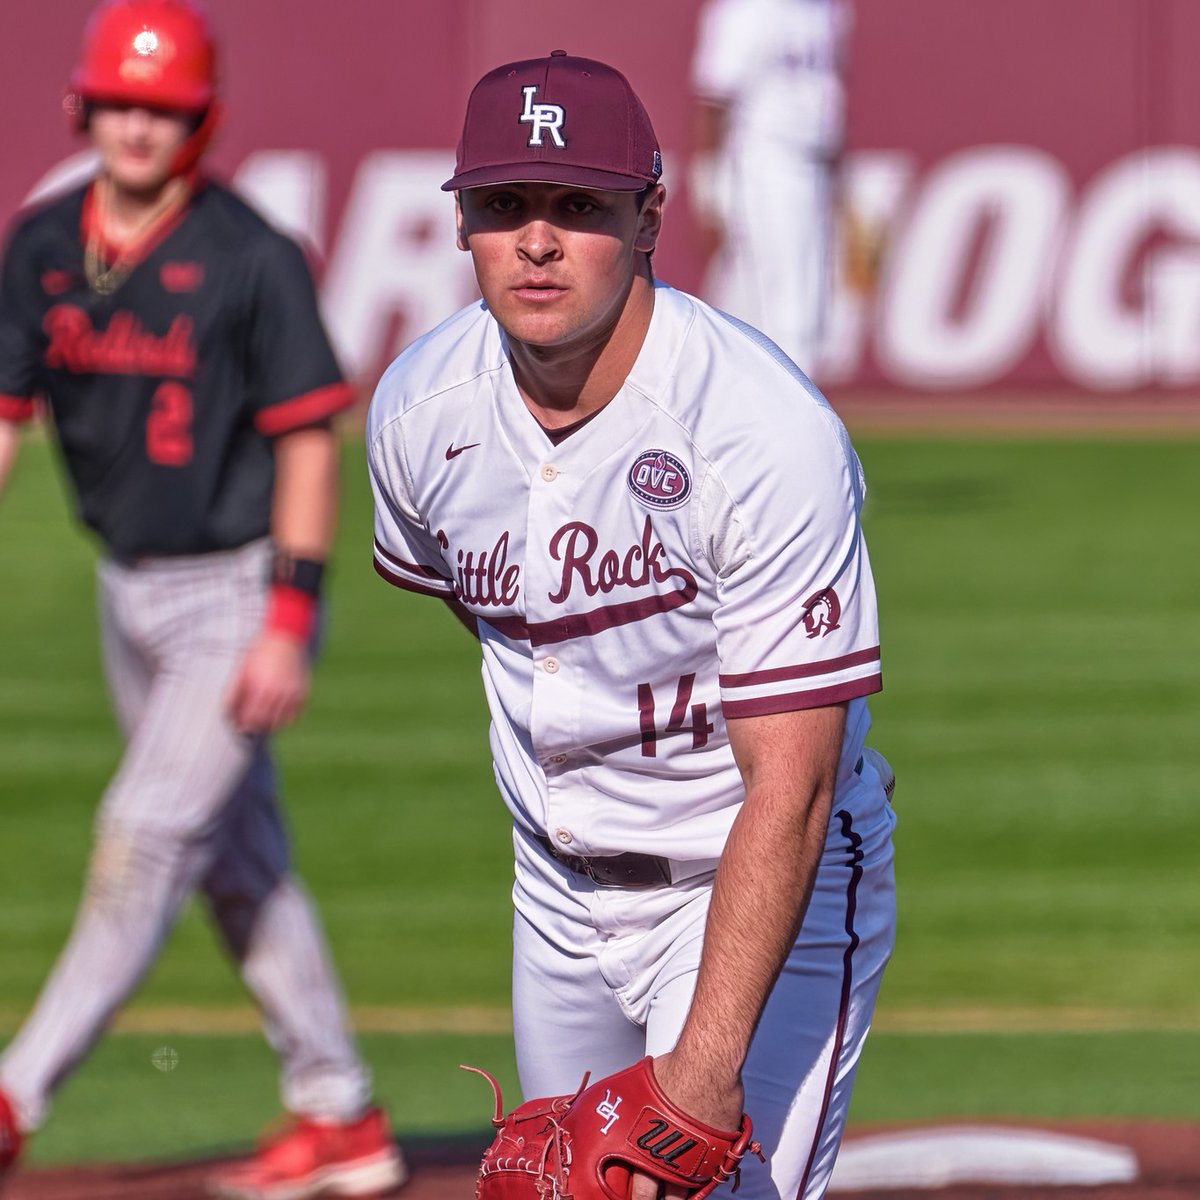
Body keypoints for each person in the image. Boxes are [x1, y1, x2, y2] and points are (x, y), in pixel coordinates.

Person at [366, 50, 896, 1200]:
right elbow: (512, 624)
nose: (538, 241)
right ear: (461, 222)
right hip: (555, 895)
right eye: (505, 206)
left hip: (758, 889)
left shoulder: (762, 434)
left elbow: (792, 788)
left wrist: (699, 1082)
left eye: (580, 207)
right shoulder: (418, 415)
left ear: (651, 214)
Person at [0, 4, 406, 1198]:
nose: (138, 124)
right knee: (239, 863)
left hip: (234, 591)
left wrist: (289, 618)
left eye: (162, 106)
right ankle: (341, 1112)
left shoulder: (249, 256)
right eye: (121, 102)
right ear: (85, 106)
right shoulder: (40, 245)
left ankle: (15, 1091)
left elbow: (311, 445)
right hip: (129, 589)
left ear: (200, 118)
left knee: (144, 838)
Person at [689, 0, 851, 375]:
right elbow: (715, 103)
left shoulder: (826, 10)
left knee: (792, 304)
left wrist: (841, 190)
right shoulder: (749, 10)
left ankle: (732, 405)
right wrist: (709, 195)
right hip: (764, 162)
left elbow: (830, 102)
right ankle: (796, 416)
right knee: (786, 308)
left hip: (814, 165)